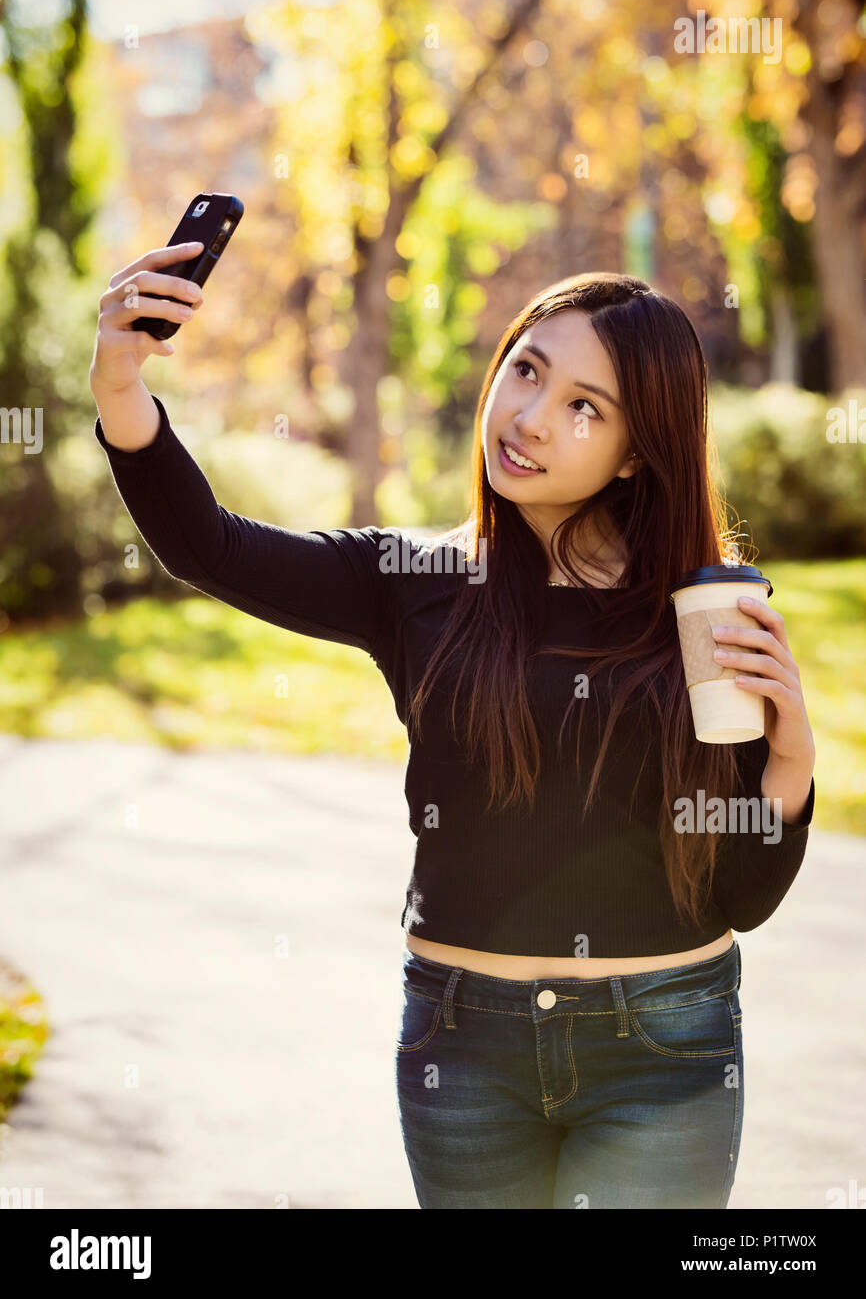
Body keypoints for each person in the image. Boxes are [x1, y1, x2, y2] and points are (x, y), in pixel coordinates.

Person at [90, 247, 816, 1210]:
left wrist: (792, 761)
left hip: (662, 1049)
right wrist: (118, 381)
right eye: (527, 370)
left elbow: (743, 894)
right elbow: (208, 544)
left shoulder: (698, 612)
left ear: (639, 452)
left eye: (584, 407)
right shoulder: (415, 583)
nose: (527, 418)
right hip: (463, 1050)